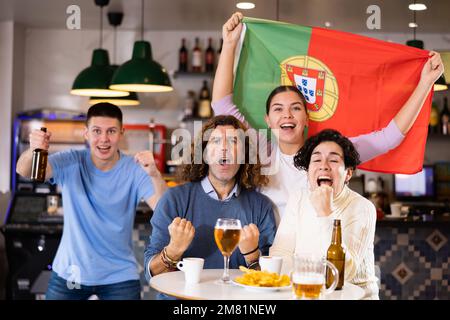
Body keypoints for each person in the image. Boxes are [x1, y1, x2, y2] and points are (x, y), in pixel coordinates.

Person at [212, 12, 445, 224]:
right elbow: (221, 105)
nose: (287, 115)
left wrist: (426, 83)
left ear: (307, 119)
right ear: (269, 120)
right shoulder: (261, 150)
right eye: (278, 109)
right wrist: (230, 44)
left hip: (317, 256)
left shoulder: (329, 155)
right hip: (269, 256)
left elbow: (389, 137)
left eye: (295, 108)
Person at [16, 102, 168, 300]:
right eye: (97, 131)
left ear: (121, 133)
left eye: (111, 131)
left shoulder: (134, 168)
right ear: (86, 133)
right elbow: (24, 170)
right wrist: (34, 150)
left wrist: (155, 174)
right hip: (70, 272)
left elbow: (164, 209)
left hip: (119, 275)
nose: (104, 139)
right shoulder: (70, 160)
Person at [144, 115, 276, 295]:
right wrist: (173, 251)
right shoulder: (174, 199)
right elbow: (151, 273)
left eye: (232, 141)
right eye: (215, 141)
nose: (224, 148)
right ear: (203, 153)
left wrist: (252, 255)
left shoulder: (261, 206)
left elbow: (271, 282)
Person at [270, 129, 378, 299]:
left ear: (348, 173)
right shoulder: (299, 198)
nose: (324, 165)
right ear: (307, 171)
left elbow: (344, 273)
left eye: (334, 160)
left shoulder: (363, 207)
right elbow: (280, 253)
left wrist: (325, 213)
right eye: (317, 159)